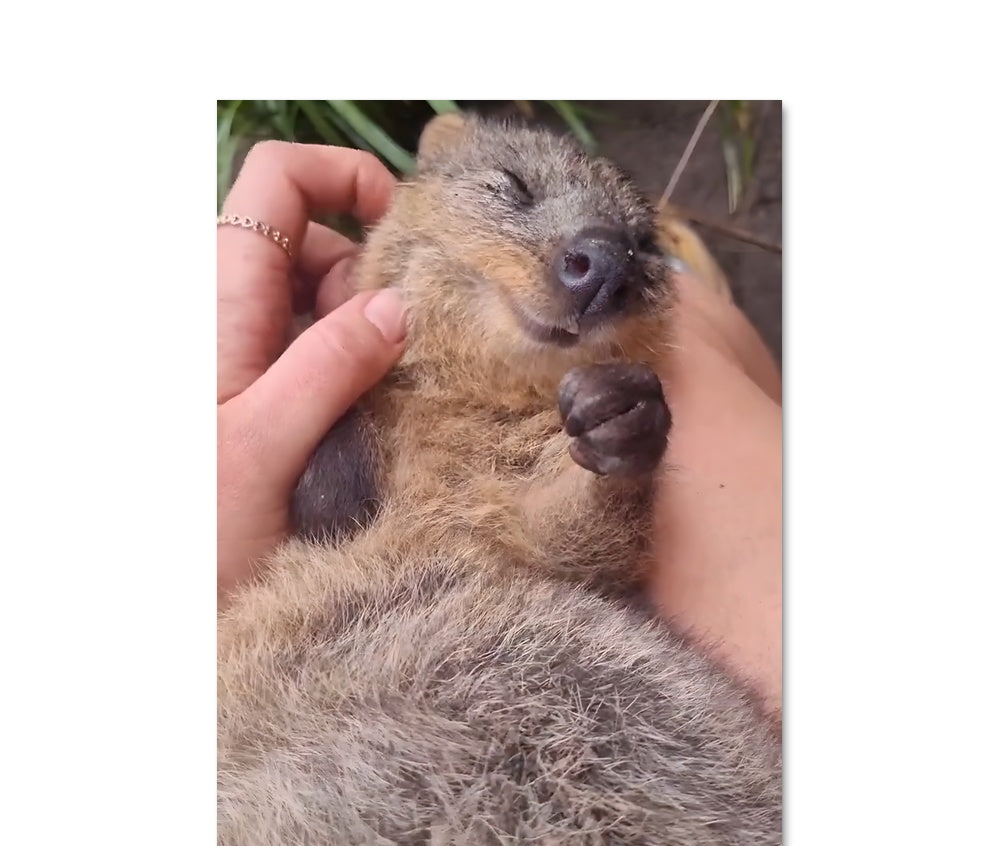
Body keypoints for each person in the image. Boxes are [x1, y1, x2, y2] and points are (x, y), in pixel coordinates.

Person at [217, 140, 782, 715]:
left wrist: (611, 470)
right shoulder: (332, 382)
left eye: (641, 251)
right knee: (709, 332)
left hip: (417, 681)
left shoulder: (552, 426)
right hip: (367, 703)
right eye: (512, 191)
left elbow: (566, 545)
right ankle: (698, 281)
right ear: (406, 204)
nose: (608, 272)